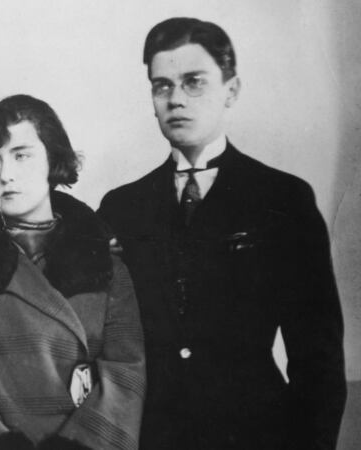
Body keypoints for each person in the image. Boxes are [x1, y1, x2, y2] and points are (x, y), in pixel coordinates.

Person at [98, 17, 347, 450]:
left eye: (194, 82)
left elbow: (318, 360)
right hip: (148, 437)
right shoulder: (122, 207)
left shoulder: (283, 199)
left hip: (255, 434)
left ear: (231, 90)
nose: (176, 99)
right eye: (162, 86)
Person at [0, 94, 145, 450]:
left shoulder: (107, 264)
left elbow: (126, 375)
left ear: (52, 159)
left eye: (21, 155)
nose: (6, 174)